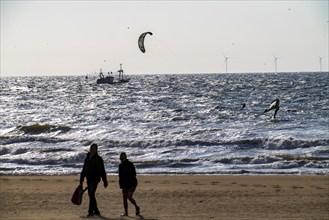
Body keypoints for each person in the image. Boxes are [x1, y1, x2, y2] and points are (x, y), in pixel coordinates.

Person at [80, 143, 108, 217]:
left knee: (91, 194)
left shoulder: (98, 159)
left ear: (96, 150)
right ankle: (96, 211)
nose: (92, 150)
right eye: (91, 148)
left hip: (95, 179)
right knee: (91, 195)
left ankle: (90, 212)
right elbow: (84, 169)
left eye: (94, 149)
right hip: (88, 179)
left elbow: (102, 170)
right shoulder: (87, 158)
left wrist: (105, 181)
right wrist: (81, 179)